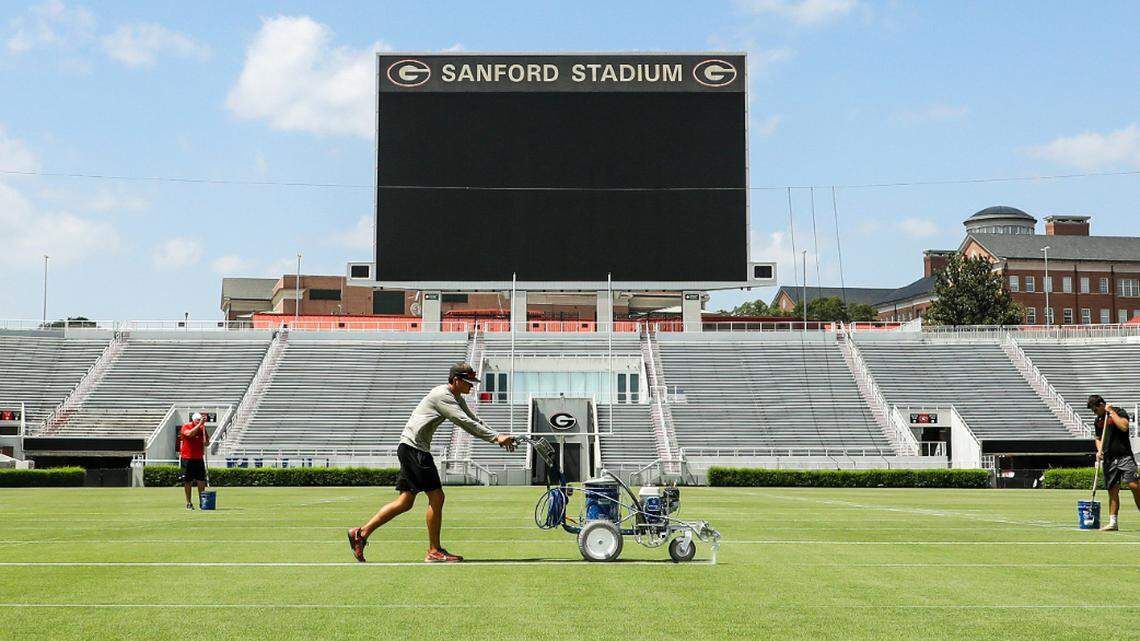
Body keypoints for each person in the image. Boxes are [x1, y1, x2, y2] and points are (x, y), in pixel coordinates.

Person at [347, 363, 516, 562]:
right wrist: (495, 438)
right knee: (437, 497)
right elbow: (464, 422)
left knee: (405, 502)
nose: (472, 386)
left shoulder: (455, 397)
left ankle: (361, 534)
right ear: (456, 380)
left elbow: (474, 418)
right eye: (469, 382)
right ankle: (434, 551)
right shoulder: (443, 396)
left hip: (411, 448)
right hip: (415, 450)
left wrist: (499, 435)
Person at [1088, 394, 1138, 531]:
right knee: (1112, 490)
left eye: (1095, 409)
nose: (1094, 413)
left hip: (1125, 456)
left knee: (1134, 485)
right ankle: (1113, 522)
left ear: (1101, 405)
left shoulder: (1119, 412)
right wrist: (1099, 451)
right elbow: (1098, 438)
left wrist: (1111, 412)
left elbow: (1124, 427)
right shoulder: (1098, 420)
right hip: (1109, 459)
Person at [179, 412, 209, 510]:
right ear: (194, 420)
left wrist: (203, 431)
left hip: (199, 458)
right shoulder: (186, 426)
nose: (199, 422)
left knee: (201, 481)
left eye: (200, 420)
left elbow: (207, 443)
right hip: (187, 458)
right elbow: (189, 434)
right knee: (188, 481)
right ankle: (189, 503)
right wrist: (200, 425)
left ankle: (202, 502)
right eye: (198, 420)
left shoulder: (202, 428)